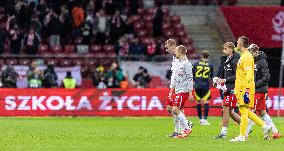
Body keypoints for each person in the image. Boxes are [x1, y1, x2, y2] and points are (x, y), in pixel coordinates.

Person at [229, 36, 272, 142]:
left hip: (245, 88)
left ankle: (242, 136)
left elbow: (248, 75)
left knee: (243, 111)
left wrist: (247, 91)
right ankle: (264, 126)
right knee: (245, 111)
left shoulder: (247, 56)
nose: (236, 44)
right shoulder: (243, 56)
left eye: (238, 42)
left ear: (241, 44)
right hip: (241, 87)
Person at [246, 44, 281, 139]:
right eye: (253, 52)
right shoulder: (251, 61)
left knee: (251, 110)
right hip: (257, 89)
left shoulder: (262, 61)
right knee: (262, 111)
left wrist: (255, 84)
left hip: (258, 90)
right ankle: (275, 132)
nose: (253, 54)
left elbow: (266, 77)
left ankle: (246, 133)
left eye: (255, 52)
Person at [164, 39, 193, 138]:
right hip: (176, 87)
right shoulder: (175, 58)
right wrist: (171, 89)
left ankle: (180, 129)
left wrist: (190, 92)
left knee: (177, 109)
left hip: (181, 88)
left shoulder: (182, 59)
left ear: (173, 46)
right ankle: (186, 124)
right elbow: (174, 75)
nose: (166, 50)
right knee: (170, 108)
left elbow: (188, 76)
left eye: (167, 48)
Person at [213, 42, 241, 139]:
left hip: (233, 88)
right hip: (227, 88)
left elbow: (238, 75)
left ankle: (223, 133)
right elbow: (224, 73)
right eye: (223, 48)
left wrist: (224, 80)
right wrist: (218, 79)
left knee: (225, 109)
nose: (223, 50)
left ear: (230, 49)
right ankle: (246, 126)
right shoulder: (227, 60)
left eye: (225, 48)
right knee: (230, 111)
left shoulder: (235, 61)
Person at [192, 50, 214, 125]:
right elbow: (211, 77)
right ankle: (204, 119)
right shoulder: (210, 65)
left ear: (201, 56)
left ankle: (200, 119)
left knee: (198, 102)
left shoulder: (196, 64)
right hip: (205, 85)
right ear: (209, 56)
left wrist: (196, 81)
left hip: (197, 85)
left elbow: (192, 75)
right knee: (206, 102)